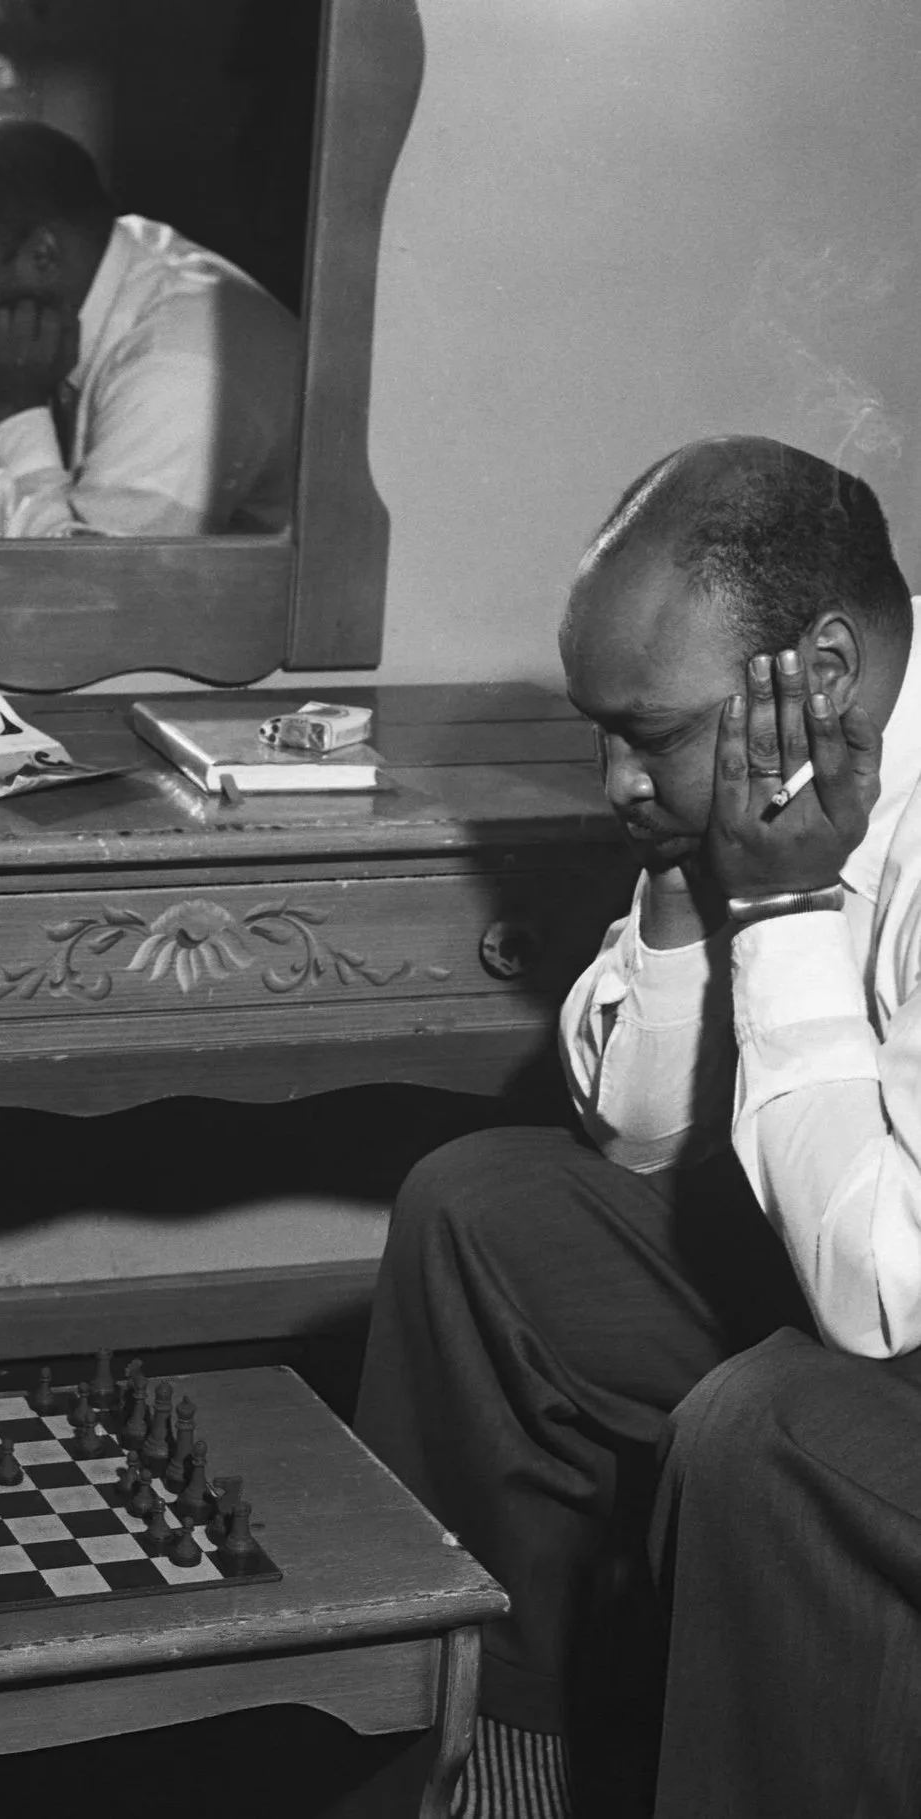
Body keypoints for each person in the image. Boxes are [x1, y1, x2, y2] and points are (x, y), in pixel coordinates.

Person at [354, 436, 921, 1819]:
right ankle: (485, 1782)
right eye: (599, 731)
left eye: (648, 734)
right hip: (869, 1263)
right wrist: (682, 878)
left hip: (891, 1303)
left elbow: (881, 1300)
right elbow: (640, 1132)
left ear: (825, 673)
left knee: (767, 1422)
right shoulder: (795, 761)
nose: (611, 779)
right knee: (481, 1214)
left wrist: (780, 918)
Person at [0, 116, 301, 539]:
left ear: (43, 257)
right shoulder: (82, 290)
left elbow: (82, 597)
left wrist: (12, 411)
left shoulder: (175, 363)